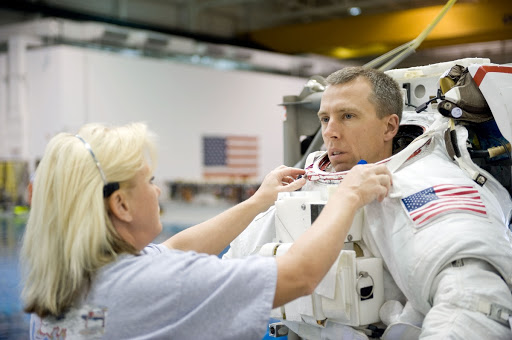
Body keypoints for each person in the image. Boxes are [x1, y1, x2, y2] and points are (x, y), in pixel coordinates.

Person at [20, 122, 392, 340]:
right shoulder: (156, 285)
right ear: (121, 206)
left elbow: (177, 248)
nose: (158, 191)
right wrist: (348, 196)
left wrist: (258, 201)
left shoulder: (64, 282)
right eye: (149, 181)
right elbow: (301, 275)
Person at [225, 66, 512, 339]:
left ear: (389, 128)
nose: (330, 132)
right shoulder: (306, 184)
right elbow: (222, 282)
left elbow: (473, 303)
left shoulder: (424, 186)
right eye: (325, 119)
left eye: (347, 116)